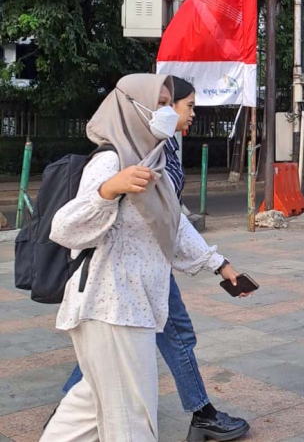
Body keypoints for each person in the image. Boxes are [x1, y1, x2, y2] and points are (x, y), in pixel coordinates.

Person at [42, 74, 246, 442]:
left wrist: (219, 264)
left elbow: (173, 224)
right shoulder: (110, 161)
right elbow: (63, 228)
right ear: (133, 108)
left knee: (88, 409)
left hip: (135, 304)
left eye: (172, 103)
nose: (168, 112)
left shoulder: (150, 159)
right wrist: (108, 191)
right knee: (133, 421)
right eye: (162, 103)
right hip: (112, 306)